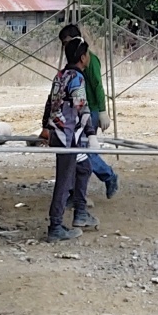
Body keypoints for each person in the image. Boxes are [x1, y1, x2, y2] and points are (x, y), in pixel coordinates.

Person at [40, 36, 97, 241]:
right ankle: (55, 225)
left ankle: (80, 212)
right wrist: (91, 133)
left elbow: (50, 101)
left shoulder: (60, 75)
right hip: (67, 135)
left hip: (60, 131)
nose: (89, 57)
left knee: (84, 168)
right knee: (65, 179)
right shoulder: (76, 78)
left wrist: (46, 126)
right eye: (88, 54)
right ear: (82, 57)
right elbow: (81, 106)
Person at [59, 23, 120, 199]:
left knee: (83, 152)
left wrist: (101, 110)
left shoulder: (89, 61)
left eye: (66, 42)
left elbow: (98, 86)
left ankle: (107, 176)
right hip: (74, 112)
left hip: (89, 110)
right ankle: (75, 194)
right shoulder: (71, 67)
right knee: (75, 152)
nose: (64, 47)